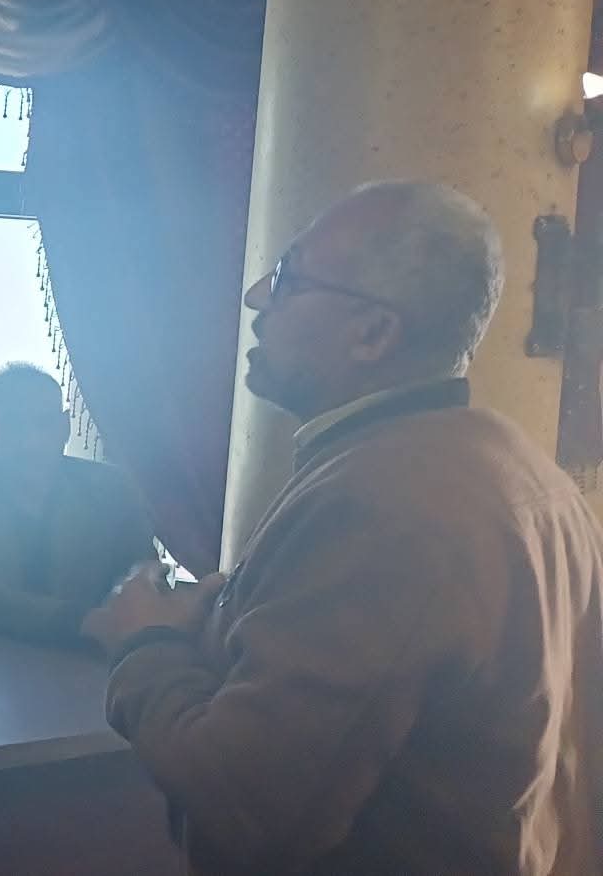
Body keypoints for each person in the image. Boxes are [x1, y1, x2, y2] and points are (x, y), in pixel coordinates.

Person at [83, 181, 603, 875]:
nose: (256, 298)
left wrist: (144, 641)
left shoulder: (383, 504)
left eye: (288, 278)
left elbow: (246, 806)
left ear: (373, 333)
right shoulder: (523, 468)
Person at [0, 364, 155, 644]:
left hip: (81, 655)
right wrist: (89, 622)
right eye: (11, 425)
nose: (29, 441)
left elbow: (142, 571)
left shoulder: (111, 489)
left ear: (65, 427)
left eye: (44, 423)